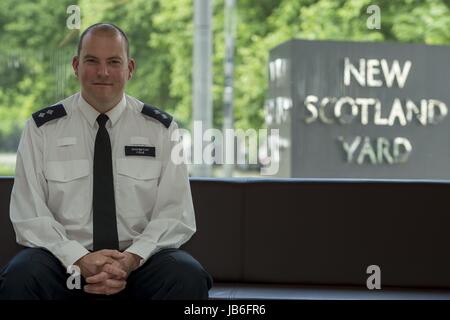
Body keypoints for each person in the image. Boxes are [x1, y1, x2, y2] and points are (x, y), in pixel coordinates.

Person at [0, 23, 212, 300]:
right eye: (92, 61)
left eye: (114, 62)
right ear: (76, 65)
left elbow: (175, 213)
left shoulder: (161, 129)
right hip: (66, 267)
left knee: (186, 275)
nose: (103, 72)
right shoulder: (42, 129)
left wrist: (132, 259)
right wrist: (78, 259)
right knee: (21, 275)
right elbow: (30, 214)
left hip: (139, 266)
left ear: (130, 68)